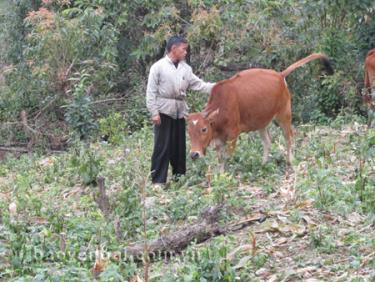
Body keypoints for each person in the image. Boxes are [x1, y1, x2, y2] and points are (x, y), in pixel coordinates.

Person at [146, 36, 215, 186]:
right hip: (163, 110)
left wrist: (219, 87)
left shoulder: (186, 69)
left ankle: (179, 178)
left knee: (179, 147)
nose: (185, 52)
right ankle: (158, 181)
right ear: (174, 49)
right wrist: (154, 112)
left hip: (180, 111)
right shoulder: (158, 67)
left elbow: (199, 85)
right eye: (183, 49)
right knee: (162, 146)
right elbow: (150, 92)